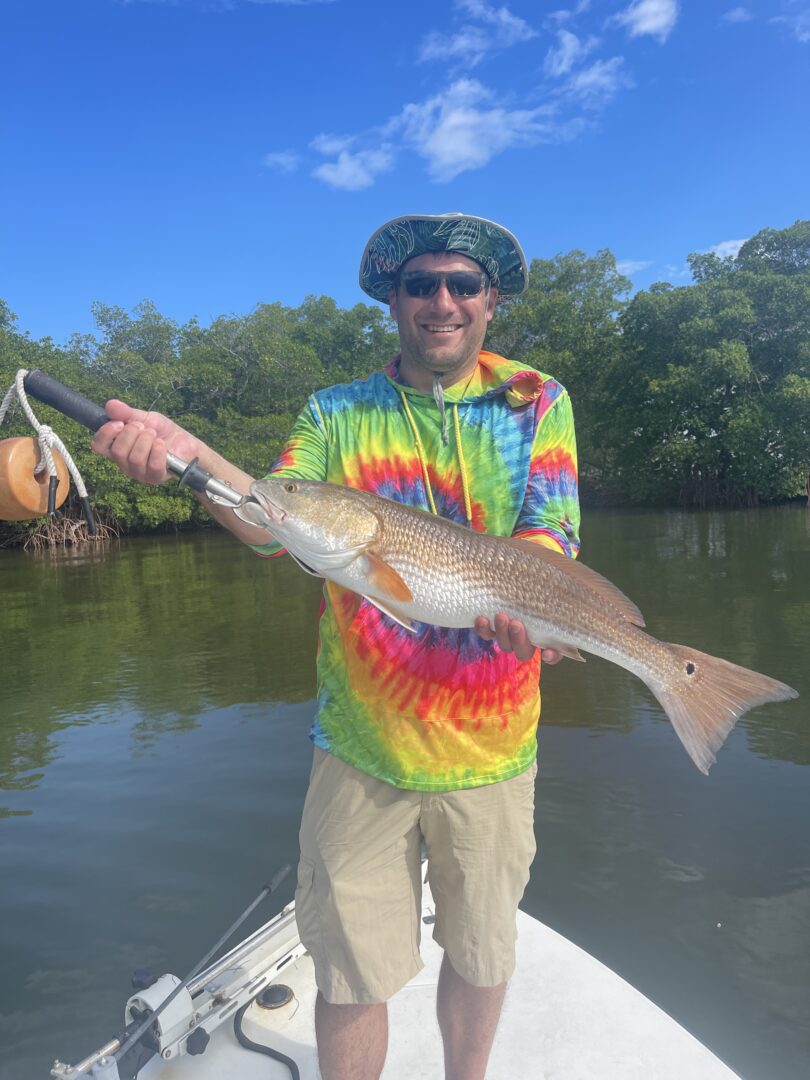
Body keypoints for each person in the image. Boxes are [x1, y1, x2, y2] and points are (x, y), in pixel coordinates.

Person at [92, 212, 580, 1080]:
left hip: (493, 749)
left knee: (482, 954)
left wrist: (530, 603)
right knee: (349, 973)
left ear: (491, 300)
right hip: (359, 746)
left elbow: (553, 530)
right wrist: (190, 458)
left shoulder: (537, 401)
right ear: (392, 300)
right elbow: (271, 515)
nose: (441, 301)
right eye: (419, 284)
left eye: (462, 283)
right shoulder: (336, 412)